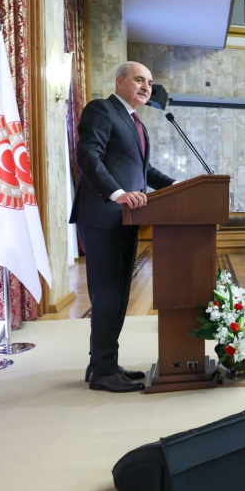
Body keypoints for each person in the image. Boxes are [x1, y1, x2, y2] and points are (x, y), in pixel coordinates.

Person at [71, 61, 176, 393]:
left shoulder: (136, 124)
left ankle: (102, 364)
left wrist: (182, 185)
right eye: (139, 80)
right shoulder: (102, 110)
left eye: (149, 81)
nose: (146, 86)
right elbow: (88, 155)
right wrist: (116, 193)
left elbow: (144, 174)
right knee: (107, 297)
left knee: (117, 297)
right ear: (119, 81)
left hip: (128, 220)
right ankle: (103, 370)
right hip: (104, 215)